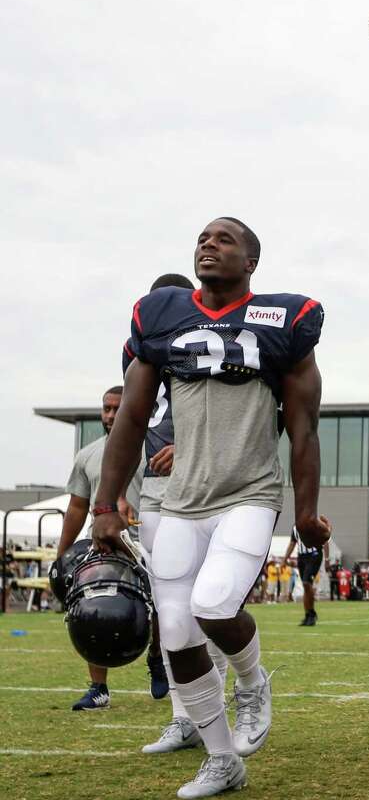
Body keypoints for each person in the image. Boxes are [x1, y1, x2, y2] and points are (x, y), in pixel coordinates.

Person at [92, 216, 329, 800]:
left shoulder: (283, 322)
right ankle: (223, 759)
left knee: (214, 605)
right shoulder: (162, 319)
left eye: (224, 239)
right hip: (181, 501)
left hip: (249, 491)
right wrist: (105, 501)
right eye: (202, 237)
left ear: (251, 261)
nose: (209, 243)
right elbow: (131, 418)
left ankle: (252, 680)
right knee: (174, 629)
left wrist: (306, 510)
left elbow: (303, 429)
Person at [127, 273, 233, 757]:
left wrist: (189, 450)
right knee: (170, 606)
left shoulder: (210, 339)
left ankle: (215, 711)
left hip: (204, 482)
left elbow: (232, 415)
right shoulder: (137, 349)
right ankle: (182, 715)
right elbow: (132, 422)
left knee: (209, 602)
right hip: (154, 487)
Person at [55, 386, 143, 711]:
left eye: (117, 408)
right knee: (95, 609)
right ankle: (98, 688)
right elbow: (77, 507)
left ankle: (161, 661)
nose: (110, 415)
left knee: (168, 609)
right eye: (106, 408)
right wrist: (62, 556)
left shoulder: (151, 447)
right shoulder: (88, 454)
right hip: (104, 544)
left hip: (150, 540)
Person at [284, 524, 327, 626]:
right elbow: (292, 543)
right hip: (301, 557)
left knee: (307, 583)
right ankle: (308, 615)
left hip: (314, 554)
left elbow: (325, 541)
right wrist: (285, 559)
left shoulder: (314, 523)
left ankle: (311, 613)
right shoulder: (295, 527)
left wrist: (327, 559)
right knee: (305, 585)